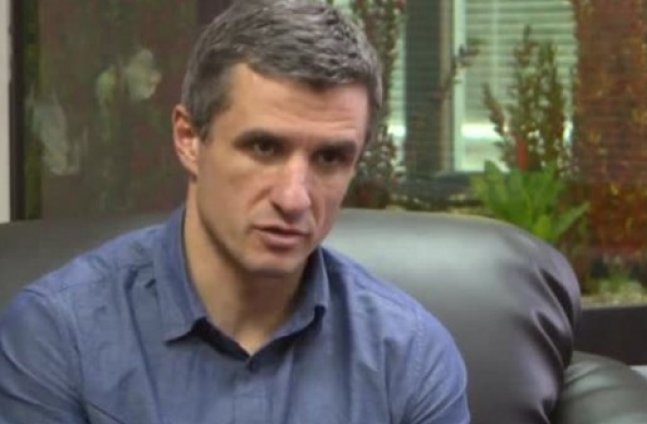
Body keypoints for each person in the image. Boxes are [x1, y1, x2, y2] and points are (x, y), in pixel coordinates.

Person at [0, 1, 470, 423]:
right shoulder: (59, 335)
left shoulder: (409, 357)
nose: (294, 198)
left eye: (330, 158)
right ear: (189, 139)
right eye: (264, 147)